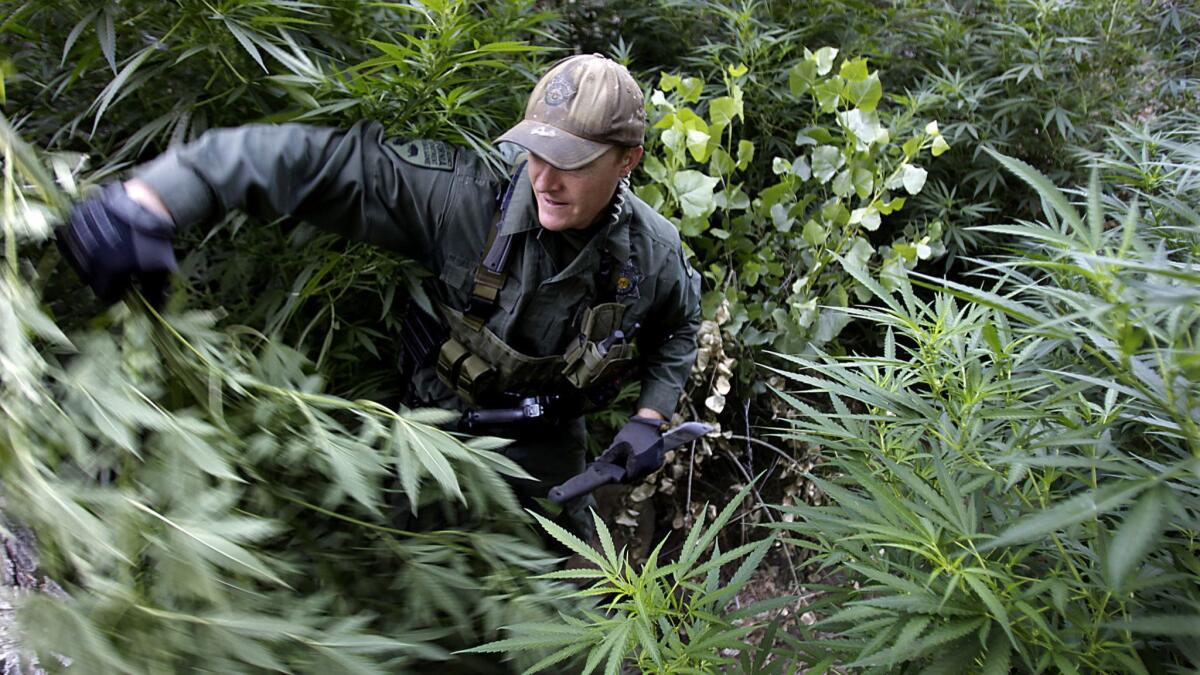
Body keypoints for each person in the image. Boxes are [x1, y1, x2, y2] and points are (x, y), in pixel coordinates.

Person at [57, 54, 702, 537]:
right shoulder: (460, 196)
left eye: (573, 160)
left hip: (547, 456)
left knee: (561, 624)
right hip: (425, 432)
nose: (544, 179)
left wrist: (650, 417)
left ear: (627, 160)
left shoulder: (653, 253)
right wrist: (154, 198)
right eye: (535, 151)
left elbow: (679, 326)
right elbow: (310, 164)